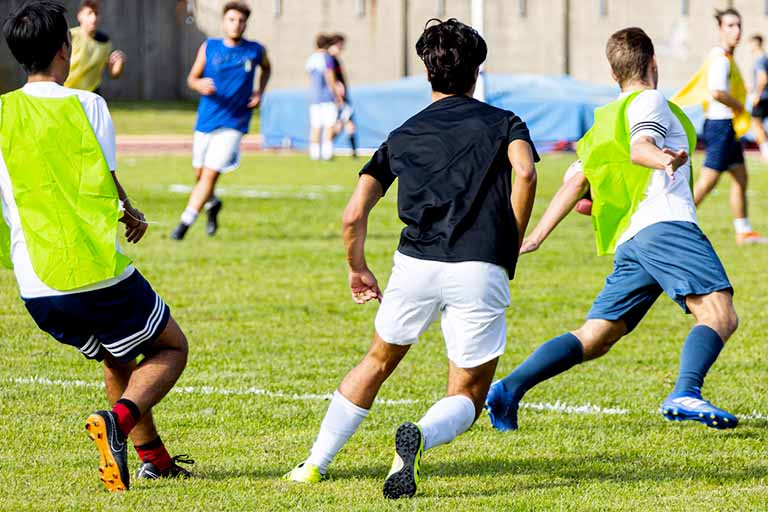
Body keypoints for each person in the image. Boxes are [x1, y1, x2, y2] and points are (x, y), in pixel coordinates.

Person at [285, 18, 538, 499]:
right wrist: (511, 240)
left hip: (414, 266)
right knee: (468, 393)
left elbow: (353, 213)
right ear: (476, 72)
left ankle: (313, 463)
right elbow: (524, 173)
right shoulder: (505, 122)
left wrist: (358, 268)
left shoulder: (402, 134)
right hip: (479, 264)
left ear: (427, 73)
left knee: (377, 361)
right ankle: (419, 435)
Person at [487, 27, 739, 434]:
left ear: (612, 73)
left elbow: (575, 185)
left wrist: (533, 237)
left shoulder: (603, 122)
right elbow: (642, 147)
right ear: (653, 63)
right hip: (667, 225)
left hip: (634, 240)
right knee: (718, 313)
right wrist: (662, 160)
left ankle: (507, 388)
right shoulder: (651, 100)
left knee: (596, 336)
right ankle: (685, 391)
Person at [2, 1, 191, 492]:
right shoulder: (88, 105)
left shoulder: (1, 114)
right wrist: (133, 214)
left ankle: (154, 459)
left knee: (117, 355)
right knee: (171, 347)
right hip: (92, 270)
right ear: (65, 50)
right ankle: (118, 421)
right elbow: (107, 181)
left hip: (35, 286)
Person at [171, 1, 271, 240]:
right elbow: (192, 78)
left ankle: (184, 224)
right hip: (206, 119)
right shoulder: (210, 47)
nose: (236, 24)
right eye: (232, 20)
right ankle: (212, 204)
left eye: (241, 21)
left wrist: (260, 91)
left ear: (246, 23)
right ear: (224, 22)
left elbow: (267, 69)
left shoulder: (255, 50)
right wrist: (198, 84)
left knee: (210, 175)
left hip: (234, 123)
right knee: (199, 175)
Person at [672, 8, 765, 245]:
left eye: (738, 25)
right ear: (720, 29)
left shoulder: (728, 58)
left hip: (728, 127)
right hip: (720, 126)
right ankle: (674, 226)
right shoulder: (720, 59)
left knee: (740, 176)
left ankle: (743, 231)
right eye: (730, 26)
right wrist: (739, 106)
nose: (736, 31)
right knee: (707, 182)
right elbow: (716, 92)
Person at [63, 0, 124, 95]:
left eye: (96, 14)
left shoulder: (105, 42)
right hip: (67, 91)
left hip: (91, 93)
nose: (93, 18)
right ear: (80, 16)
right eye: (89, 13)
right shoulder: (70, 36)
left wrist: (119, 62)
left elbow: (114, 74)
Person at [306, 34, 343, 161]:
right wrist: (337, 95)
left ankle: (315, 154)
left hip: (314, 98)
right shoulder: (327, 58)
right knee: (329, 126)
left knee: (315, 127)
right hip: (327, 98)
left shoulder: (311, 58)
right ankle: (327, 154)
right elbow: (330, 77)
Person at [328, 33, 358, 158]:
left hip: (343, 97)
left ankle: (353, 152)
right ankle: (325, 147)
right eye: (342, 44)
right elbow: (331, 78)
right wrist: (338, 93)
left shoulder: (335, 58)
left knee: (348, 123)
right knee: (340, 125)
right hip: (339, 97)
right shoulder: (330, 58)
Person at [749, 34, 768, 159]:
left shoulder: (760, 60)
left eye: (750, 44)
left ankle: (765, 152)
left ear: (756, 43)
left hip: (762, 97)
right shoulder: (765, 58)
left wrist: (757, 94)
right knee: (759, 124)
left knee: (755, 124)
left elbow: (763, 79)